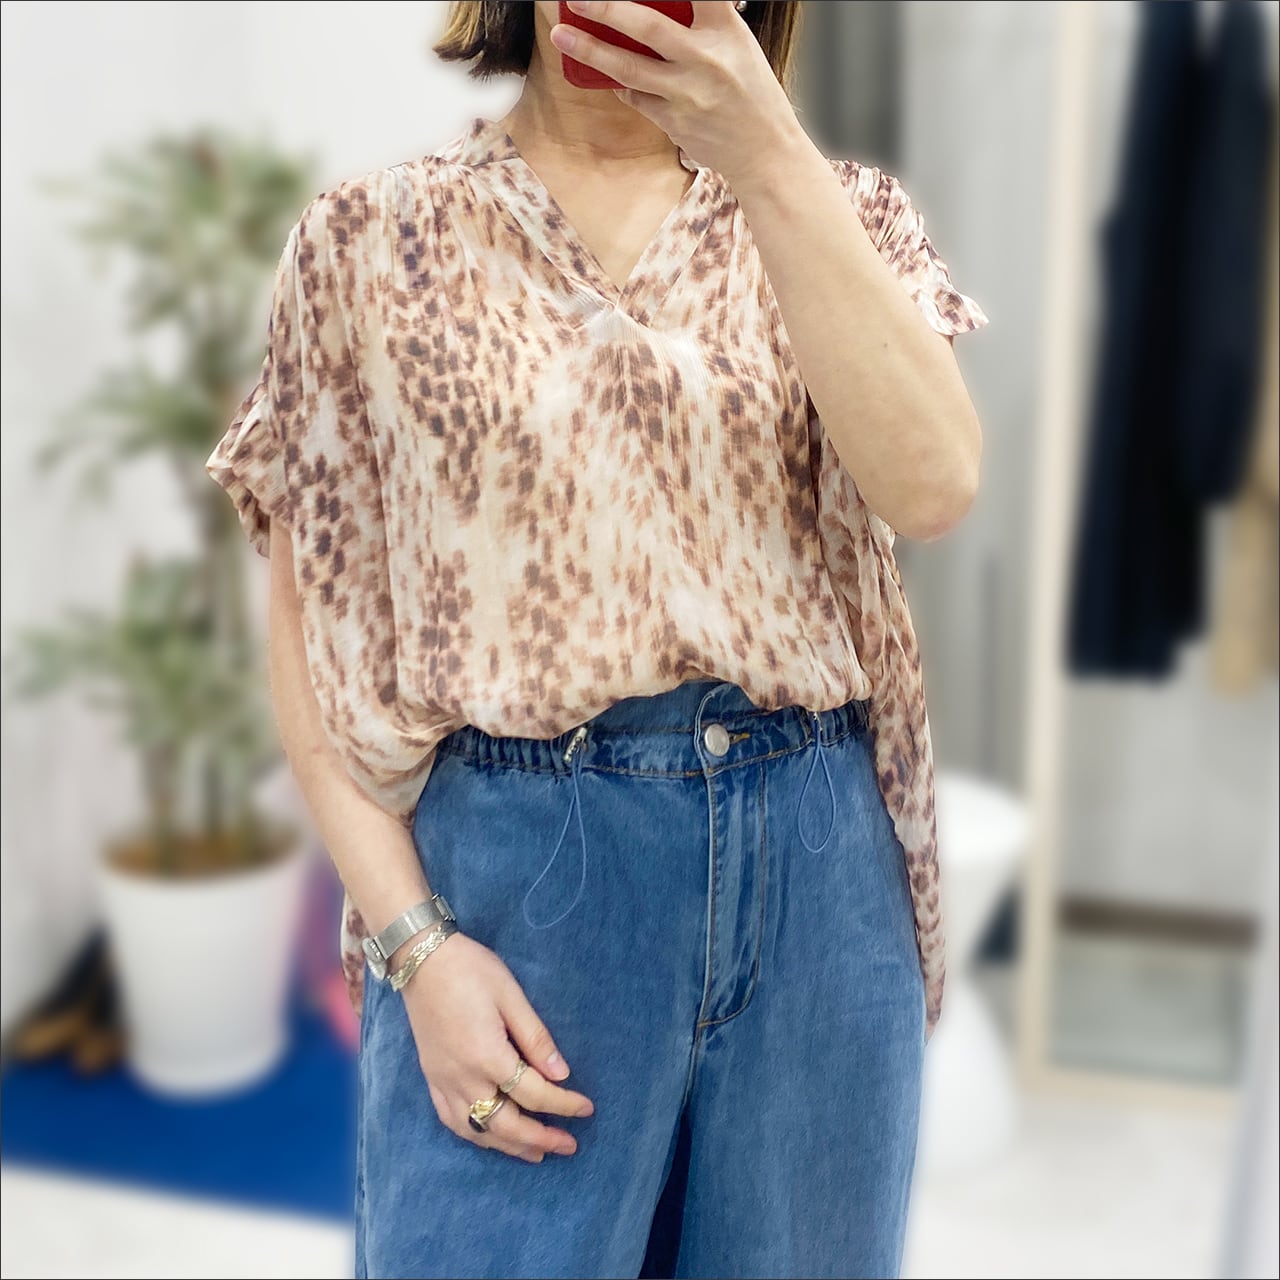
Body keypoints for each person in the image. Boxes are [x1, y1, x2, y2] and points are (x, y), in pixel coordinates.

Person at [205, 2, 990, 1276]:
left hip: (818, 863)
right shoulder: (371, 239)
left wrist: (767, 154)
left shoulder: (833, 214)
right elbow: (312, 635)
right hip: (521, 880)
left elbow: (933, 484)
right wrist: (414, 943)